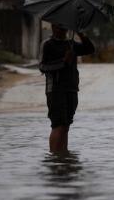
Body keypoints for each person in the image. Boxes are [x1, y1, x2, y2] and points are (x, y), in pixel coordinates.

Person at [39, 24, 95, 153]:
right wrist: (63, 62)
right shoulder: (47, 44)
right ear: (53, 27)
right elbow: (43, 67)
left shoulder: (71, 44)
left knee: (66, 125)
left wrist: (81, 34)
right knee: (58, 125)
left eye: (64, 27)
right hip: (55, 90)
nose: (61, 29)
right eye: (58, 26)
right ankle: (54, 157)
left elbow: (90, 49)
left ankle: (63, 155)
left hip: (72, 89)